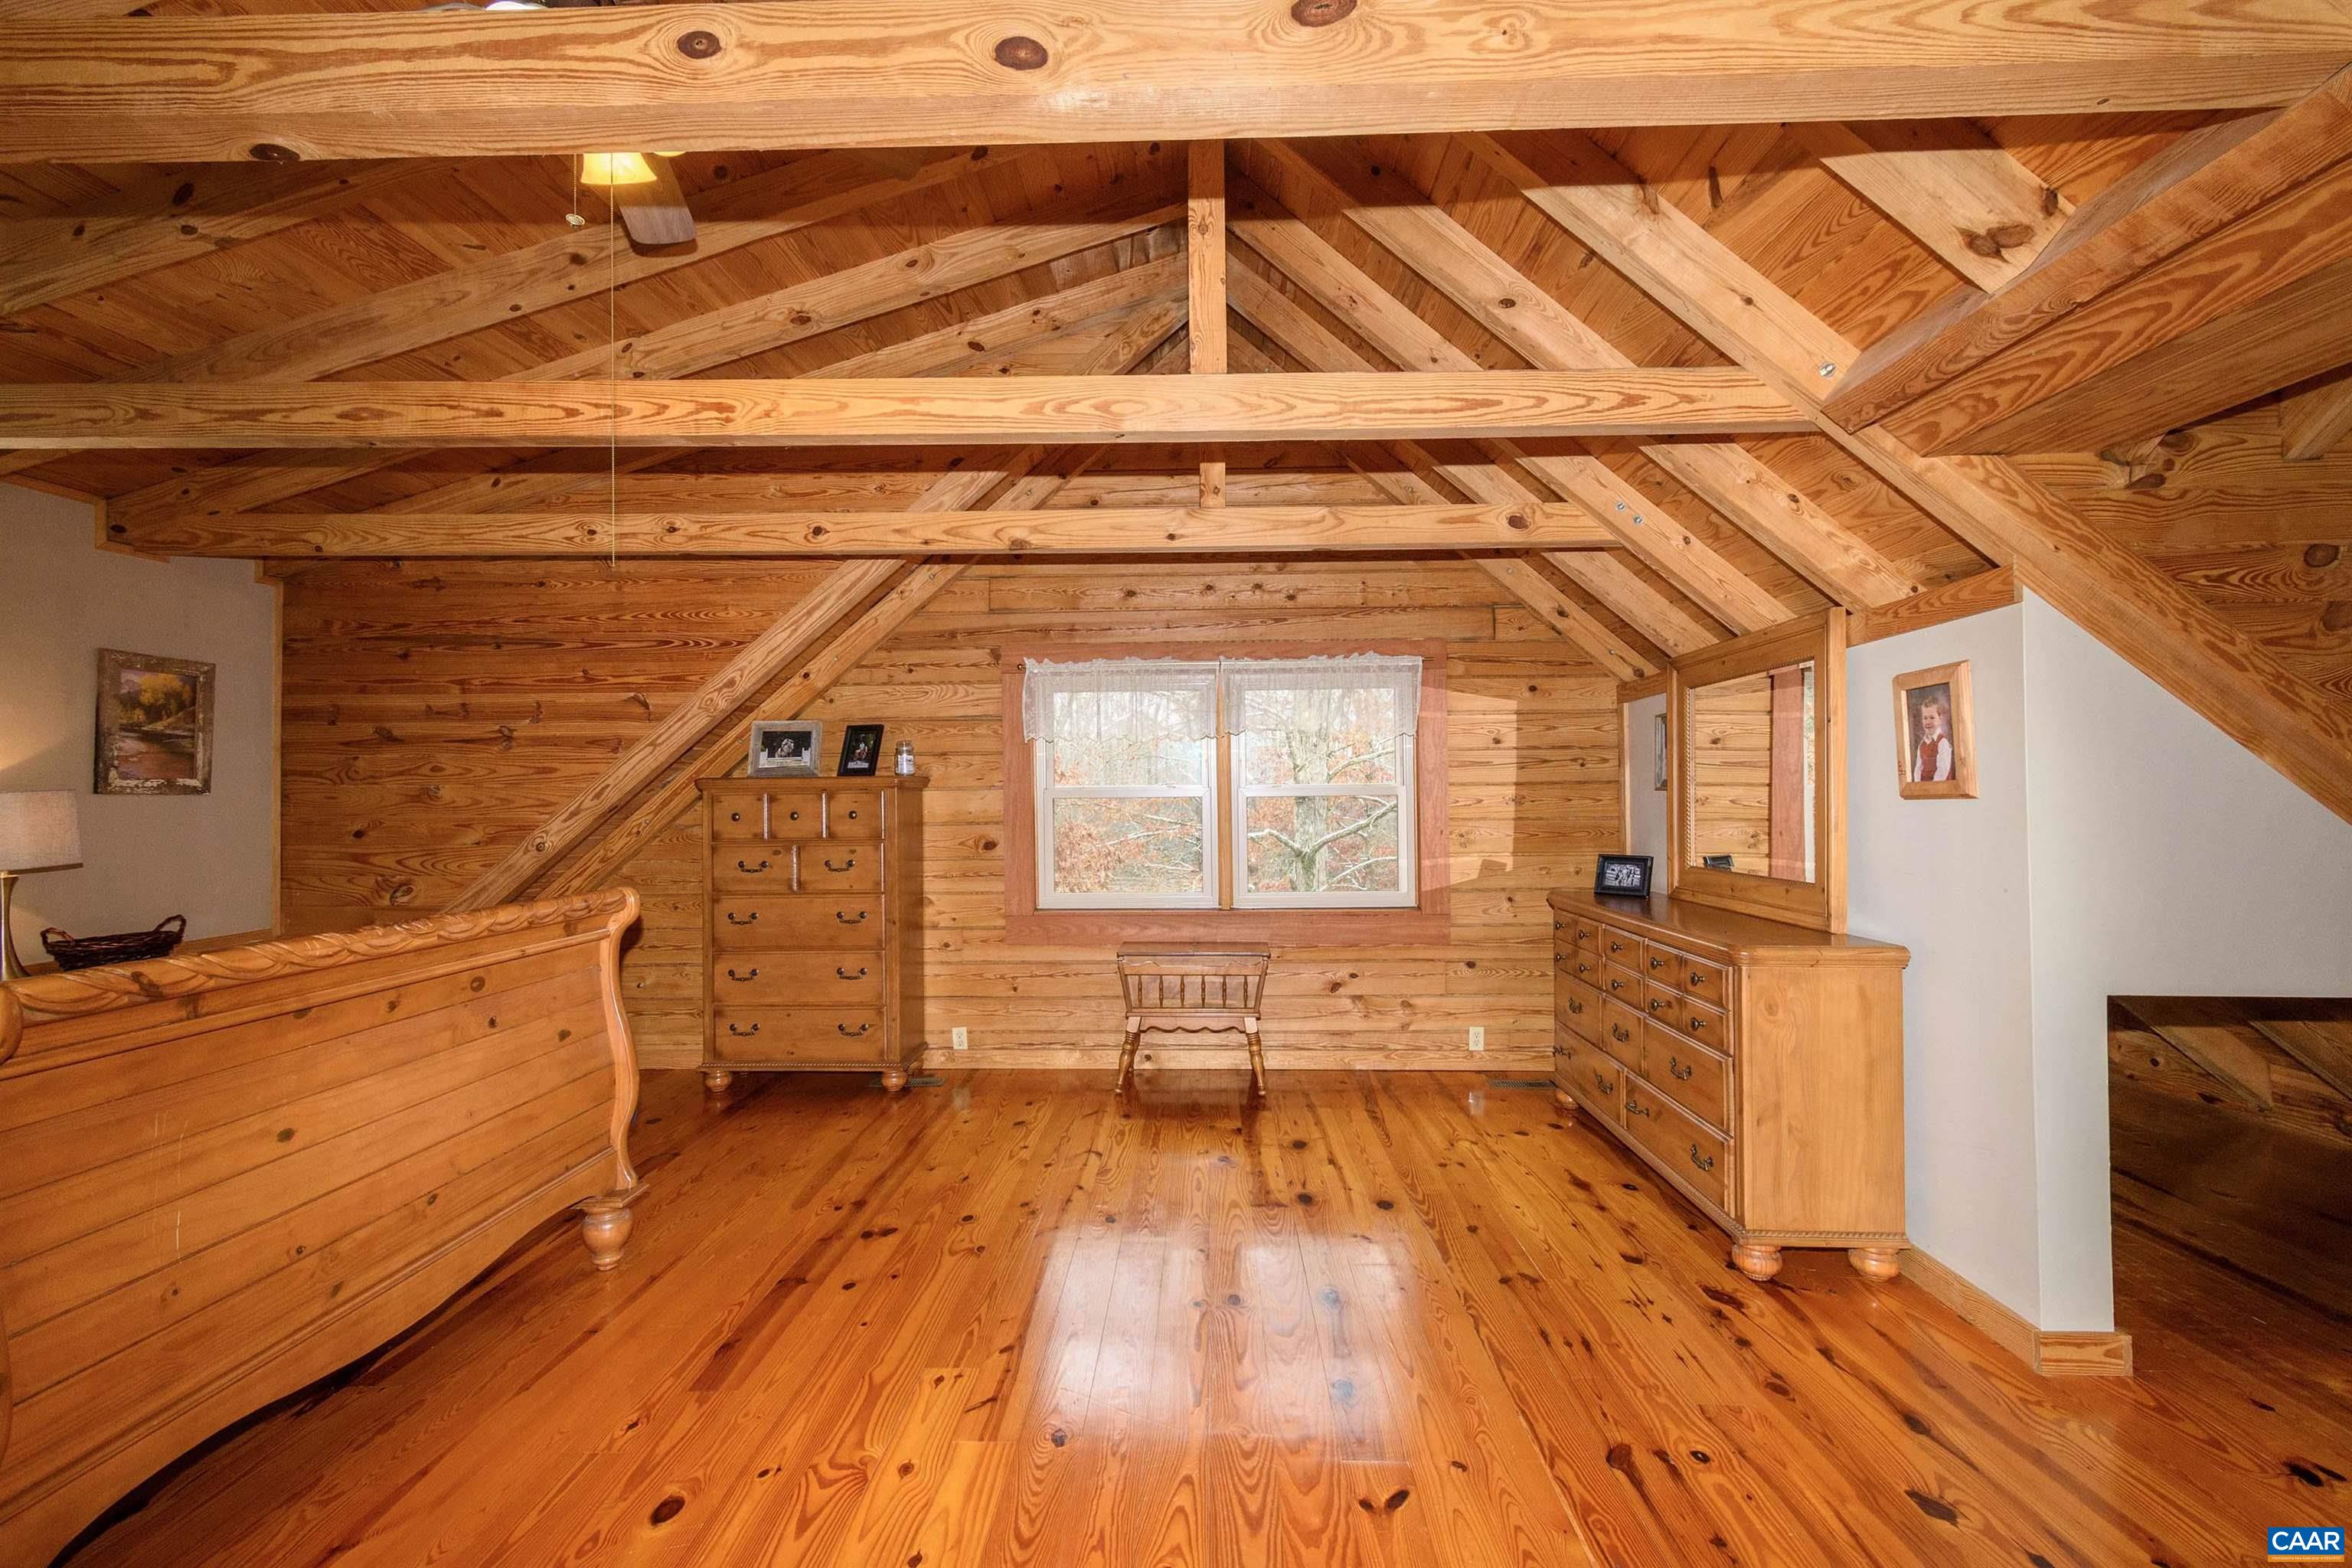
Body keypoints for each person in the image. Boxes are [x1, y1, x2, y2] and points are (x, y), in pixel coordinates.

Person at [1912, 693, 1954, 782]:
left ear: (1940, 719)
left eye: (1932, 718)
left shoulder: (1942, 743)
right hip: (1924, 791)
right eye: (1925, 718)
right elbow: (1918, 770)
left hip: (1939, 789)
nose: (1928, 722)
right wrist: (1918, 786)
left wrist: (1931, 789)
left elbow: (1942, 772)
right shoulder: (1922, 745)